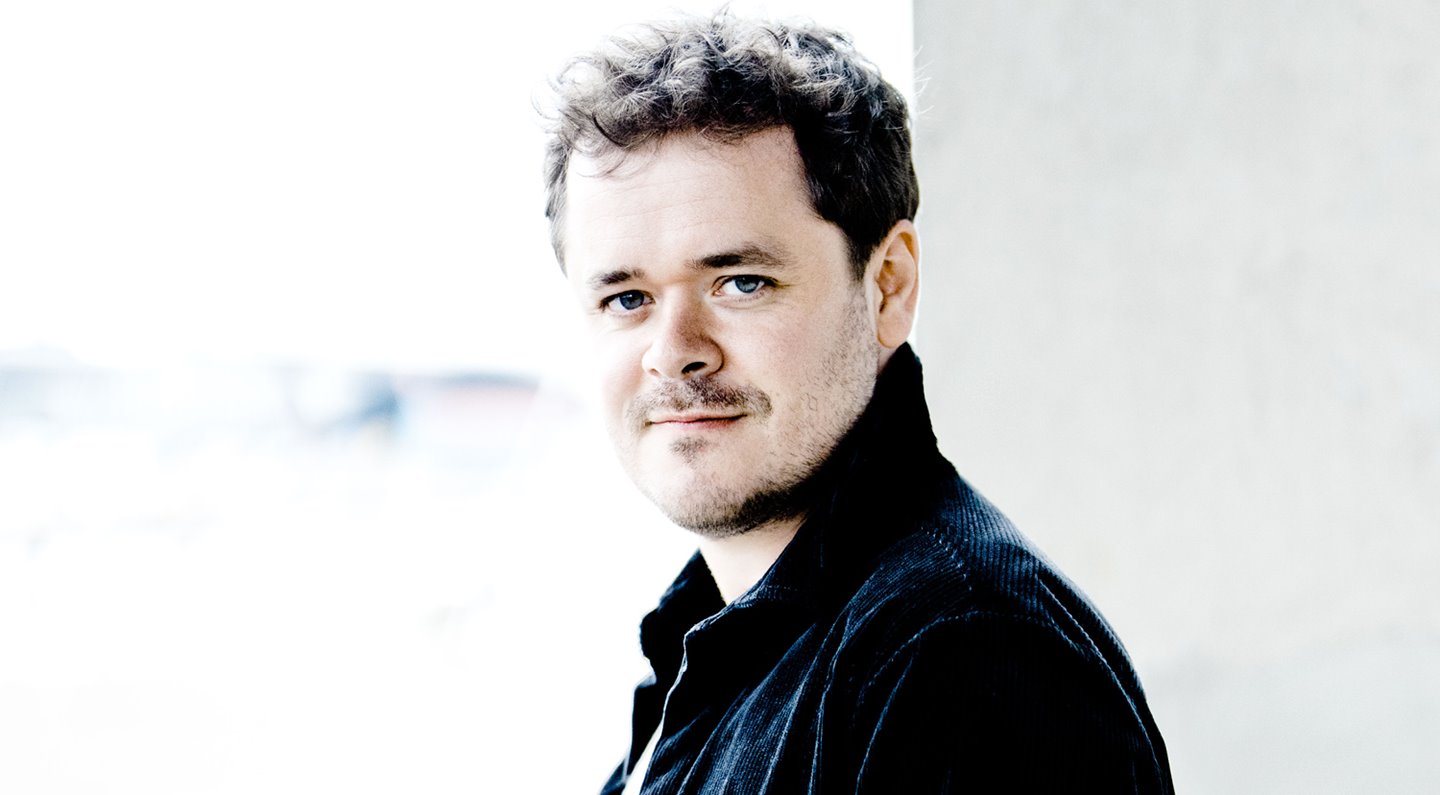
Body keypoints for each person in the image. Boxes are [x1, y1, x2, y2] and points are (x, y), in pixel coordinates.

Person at [541, 13, 1173, 794]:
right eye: (627, 298)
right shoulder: (713, 649)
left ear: (888, 287)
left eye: (741, 282)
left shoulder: (962, 657)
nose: (673, 350)